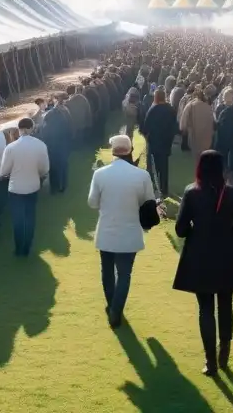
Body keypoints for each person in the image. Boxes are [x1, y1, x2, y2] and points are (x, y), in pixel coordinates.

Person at [173, 149, 233, 376]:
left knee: (205, 309)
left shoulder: (191, 192)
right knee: (226, 305)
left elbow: (181, 229)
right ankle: (224, 350)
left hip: (200, 256)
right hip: (227, 255)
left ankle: (210, 361)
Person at [88, 134, 155, 329]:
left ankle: (112, 307)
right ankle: (116, 310)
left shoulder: (100, 174)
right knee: (124, 274)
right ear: (129, 150)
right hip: (130, 231)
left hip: (107, 230)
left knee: (107, 271)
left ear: (113, 151)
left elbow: (92, 203)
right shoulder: (142, 175)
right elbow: (147, 202)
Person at [0, 117, 49, 257]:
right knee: (30, 217)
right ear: (32, 128)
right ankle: (27, 246)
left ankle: (19, 247)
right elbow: (45, 168)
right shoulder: (40, 145)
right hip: (33, 186)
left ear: (19, 129)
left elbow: (3, 171)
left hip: (15, 188)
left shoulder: (11, 147)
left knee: (17, 219)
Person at [141, 89, 179, 198]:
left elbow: (145, 128)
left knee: (155, 166)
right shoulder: (171, 109)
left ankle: (157, 189)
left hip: (155, 142)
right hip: (166, 142)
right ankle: (164, 188)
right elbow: (175, 127)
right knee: (164, 166)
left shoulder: (153, 110)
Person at [41, 97, 73, 194]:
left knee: (53, 168)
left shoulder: (47, 119)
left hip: (51, 147)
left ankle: (54, 188)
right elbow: (69, 131)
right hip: (63, 146)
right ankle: (63, 186)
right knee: (63, 166)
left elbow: (44, 135)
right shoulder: (64, 116)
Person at [180, 89, 216, 162]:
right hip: (206, 135)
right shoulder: (208, 107)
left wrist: (183, 128)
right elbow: (213, 120)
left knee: (197, 156)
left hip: (194, 134)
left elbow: (184, 118)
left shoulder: (190, 105)